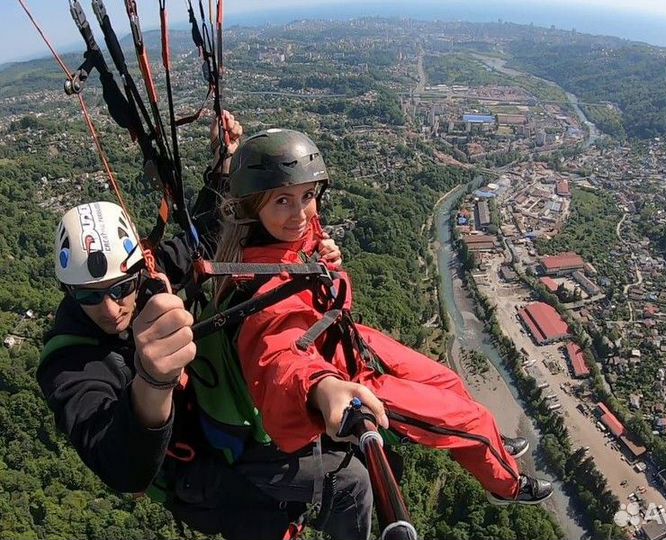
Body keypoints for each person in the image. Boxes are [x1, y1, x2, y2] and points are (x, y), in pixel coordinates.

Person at [37, 117, 373, 540]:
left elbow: (206, 235)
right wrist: (152, 380)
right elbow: (121, 467)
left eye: (122, 287)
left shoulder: (150, 277)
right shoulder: (69, 360)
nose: (109, 307)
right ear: (69, 292)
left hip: (223, 417)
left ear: (138, 269)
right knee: (344, 487)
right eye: (87, 295)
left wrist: (226, 165)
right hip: (200, 473)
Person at [210, 128, 553, 507]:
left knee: (449, 379)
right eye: (282, 201)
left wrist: (327, 264)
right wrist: (320, 387)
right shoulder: (265, 290)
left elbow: (319, 269)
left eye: (308, 196)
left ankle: (488, 436)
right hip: (343, 373)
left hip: (346, 341)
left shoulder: (279, 238)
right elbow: (279, 354)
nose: (301, 214)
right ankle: (507, 485)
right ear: (252, 206)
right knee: (469, 422)